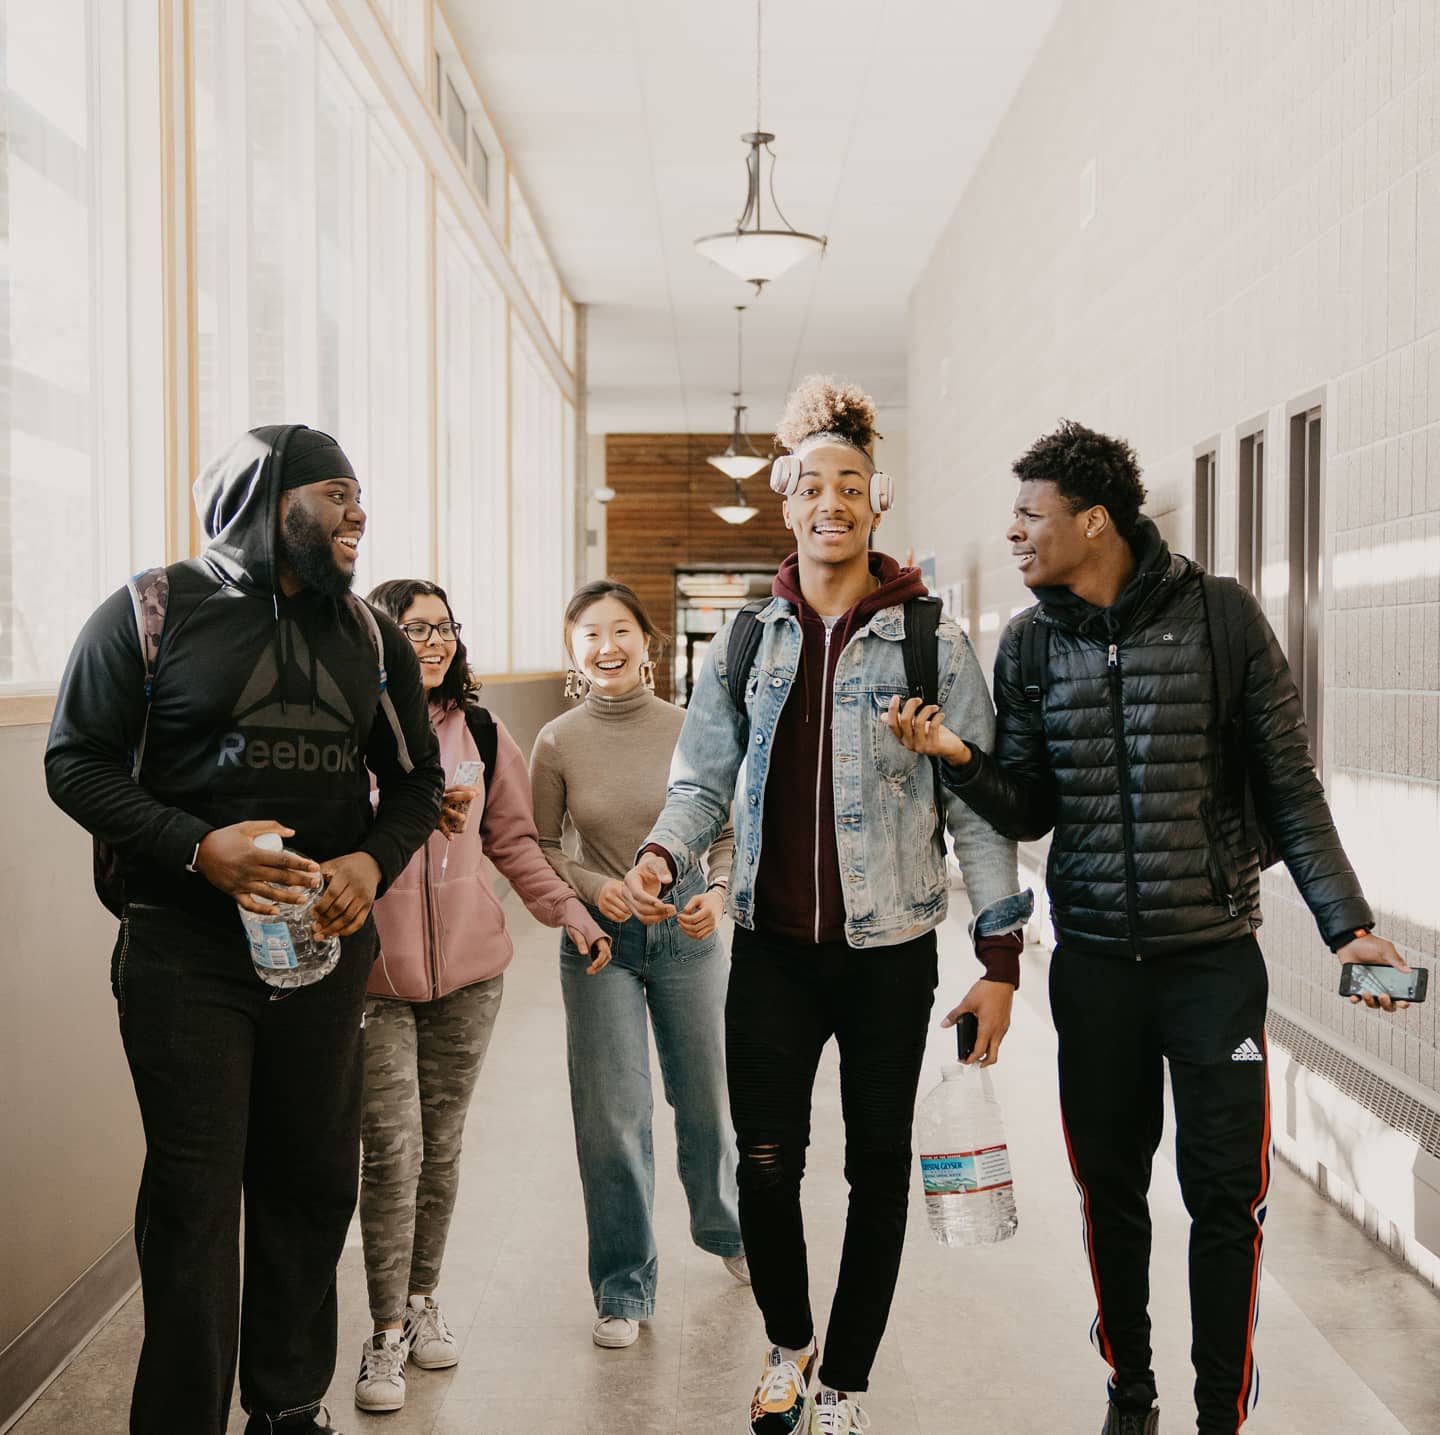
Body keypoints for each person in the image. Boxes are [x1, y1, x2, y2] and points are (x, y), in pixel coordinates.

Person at [888, 419, 1413, 1435]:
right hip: (1093, 969)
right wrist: (958, 754)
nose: (1013, 533)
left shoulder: (1220, 617)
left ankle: (1223, 1412)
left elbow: (1290, 788)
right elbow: (1031, 805)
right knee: (1110, 1190)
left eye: (1031, 515)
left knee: (1226, 1196)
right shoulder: (1032, 645)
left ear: (1094, 520)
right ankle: (1131, 1392)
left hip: (1215, 964)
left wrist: (1347, 925)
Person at [622, 376, 1032, 1435]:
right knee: (764, 1158)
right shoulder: (749, 639)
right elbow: (700, 778)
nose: (832, 504)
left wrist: (999, 957)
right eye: (814, 487)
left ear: (876, 502)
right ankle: (788, 1343)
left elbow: (979, 805)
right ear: (789, 502)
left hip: (890, 947)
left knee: (877, 1170)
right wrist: (667, 854)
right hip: (769, 945)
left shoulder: (932, 638)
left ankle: (845, 1381)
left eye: (852, 485)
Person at [45, 425, 444, 1435]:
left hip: (322, 953)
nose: (361, 514)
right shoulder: (150, 611)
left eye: (363, 496)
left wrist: (369, 861)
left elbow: (414, 784)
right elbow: (74, 762)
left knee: (311, 1183)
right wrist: (196, 848)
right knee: (193, 1195)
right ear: (271, 498)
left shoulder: (370, 636)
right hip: (184, 953)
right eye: (338, 494)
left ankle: (286, 1404)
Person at [352, 579, 612, 1412]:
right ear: (377, 637)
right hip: (370, 982)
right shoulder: (349, 732)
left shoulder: (486, 733)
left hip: (469, 981)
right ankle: (384, 1329)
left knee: (442, 1144)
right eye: (412, 627)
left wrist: (568, 910)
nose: (432, 641)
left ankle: (424, 1300)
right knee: (393, 1150)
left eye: (443, 627)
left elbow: (515, 843)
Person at [528, 579, 746, 1350]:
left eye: (621, 630)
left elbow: (723, 828)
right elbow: (544, 848)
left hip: (689, 931)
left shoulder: (693, 727)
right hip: (600, 944)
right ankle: (623, 1286)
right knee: (612, 1119)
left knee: (709, 1102)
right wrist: (602, 889)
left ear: (647, 643)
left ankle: (727, 1227)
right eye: (590, 634)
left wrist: (717, 894)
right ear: (573, 650)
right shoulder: (555, 740)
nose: (607, 646)